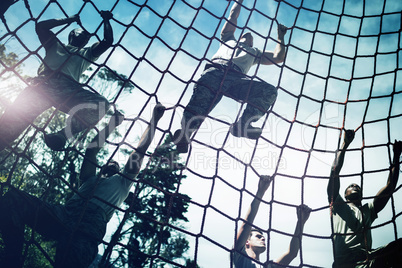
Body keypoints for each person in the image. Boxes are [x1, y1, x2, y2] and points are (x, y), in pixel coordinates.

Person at [0, 103, 166, 268]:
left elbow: (139, 152)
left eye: (116, 164)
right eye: (111, 161)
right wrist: (111, 124)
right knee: (13, 199)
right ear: (103, 166)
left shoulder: (123, 182)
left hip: (90, 224)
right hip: (66, 213)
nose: (113, 163)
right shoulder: (89, 179)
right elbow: (91, 150)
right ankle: (12, 260)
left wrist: (154, 120)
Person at [173, 0, 287, 153]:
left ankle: (244, 125)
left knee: (269, 91)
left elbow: (278, 57)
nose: (249, 35)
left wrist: (281, 37)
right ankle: (185, 134)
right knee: (201, 102)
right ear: (239, 38)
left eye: (251, 37)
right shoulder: (228, 39)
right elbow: (233, 16)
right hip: (216, 71)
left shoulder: (255, 53)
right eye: (245, 35)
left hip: (236, 79)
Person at [0, 10, 114, 152]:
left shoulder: (87, 53)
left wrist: (106, 20)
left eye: (88, 37)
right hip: (44, 84)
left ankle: (62, 135)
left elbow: (107, 42)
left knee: (102, 105)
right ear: (72, 34)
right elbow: (41, 27)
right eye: (82, 32)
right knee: (8, 130)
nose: (86, 37)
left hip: (69, 89)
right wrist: (69, 19)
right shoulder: (56, 45)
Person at [327, 129, 402, 267]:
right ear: (345, 195)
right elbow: (334, 171)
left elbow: (390, 186)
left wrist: (396, 157)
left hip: (367, 260)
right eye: (351, 186)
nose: (355, 186)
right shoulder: (338, 205)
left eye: (358, 186)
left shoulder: (368, 210)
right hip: (345, 263)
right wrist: (345, 144)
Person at [233, 175, 311, 267]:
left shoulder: (267, 266)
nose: (263, 238)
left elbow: (292, 253)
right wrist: (260, 192)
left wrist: (301, 222)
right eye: (258, 236)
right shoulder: (239, 256)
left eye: (262, 237)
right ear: (247, 242)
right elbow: (246, 225)